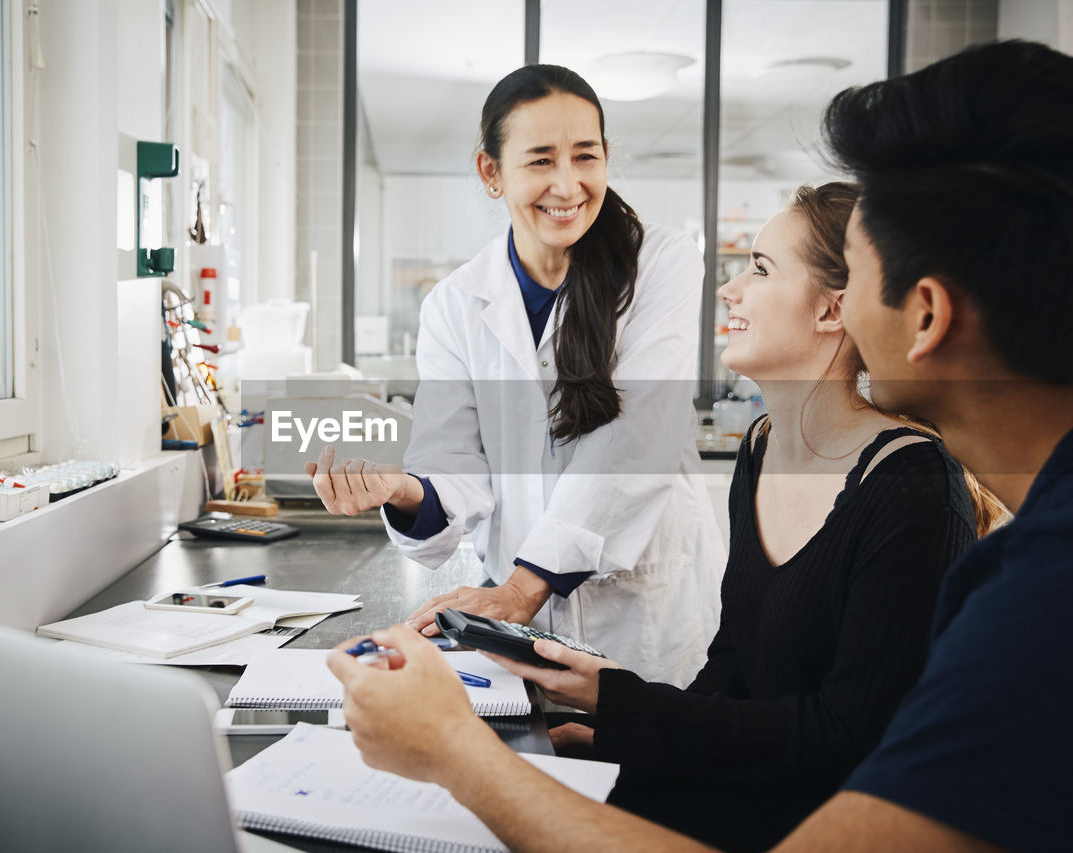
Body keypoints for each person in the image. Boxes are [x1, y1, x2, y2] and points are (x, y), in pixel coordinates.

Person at [326, 40, 1073, 852]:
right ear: (491, 172)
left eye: (854, 281)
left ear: (920, 314)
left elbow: (831, 749)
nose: (733, 288)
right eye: (540, 157)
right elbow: (750, 690)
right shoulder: (776, 453)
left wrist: (456, 752)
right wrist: (622, 712)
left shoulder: (1004, 569)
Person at [483, 181, 1003, 852]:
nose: (729, 290)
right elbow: (735, 668)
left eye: (759, 269)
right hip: (752, 792)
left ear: (832, 310)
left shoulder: (911, 486)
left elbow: (846, 741)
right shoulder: (761, 447)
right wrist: (622, 743)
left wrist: (623, 707)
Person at [307, 64, 724, 682]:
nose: (568, 184)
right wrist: (401, 491)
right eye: (540, 160)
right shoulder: (455, 303)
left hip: (644, 618)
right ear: (491, 172)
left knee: (646, 767)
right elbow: (455, 466)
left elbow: (635, 440)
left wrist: (522, 590)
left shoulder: (660, 264)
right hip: (525, 629)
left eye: (586, 156)